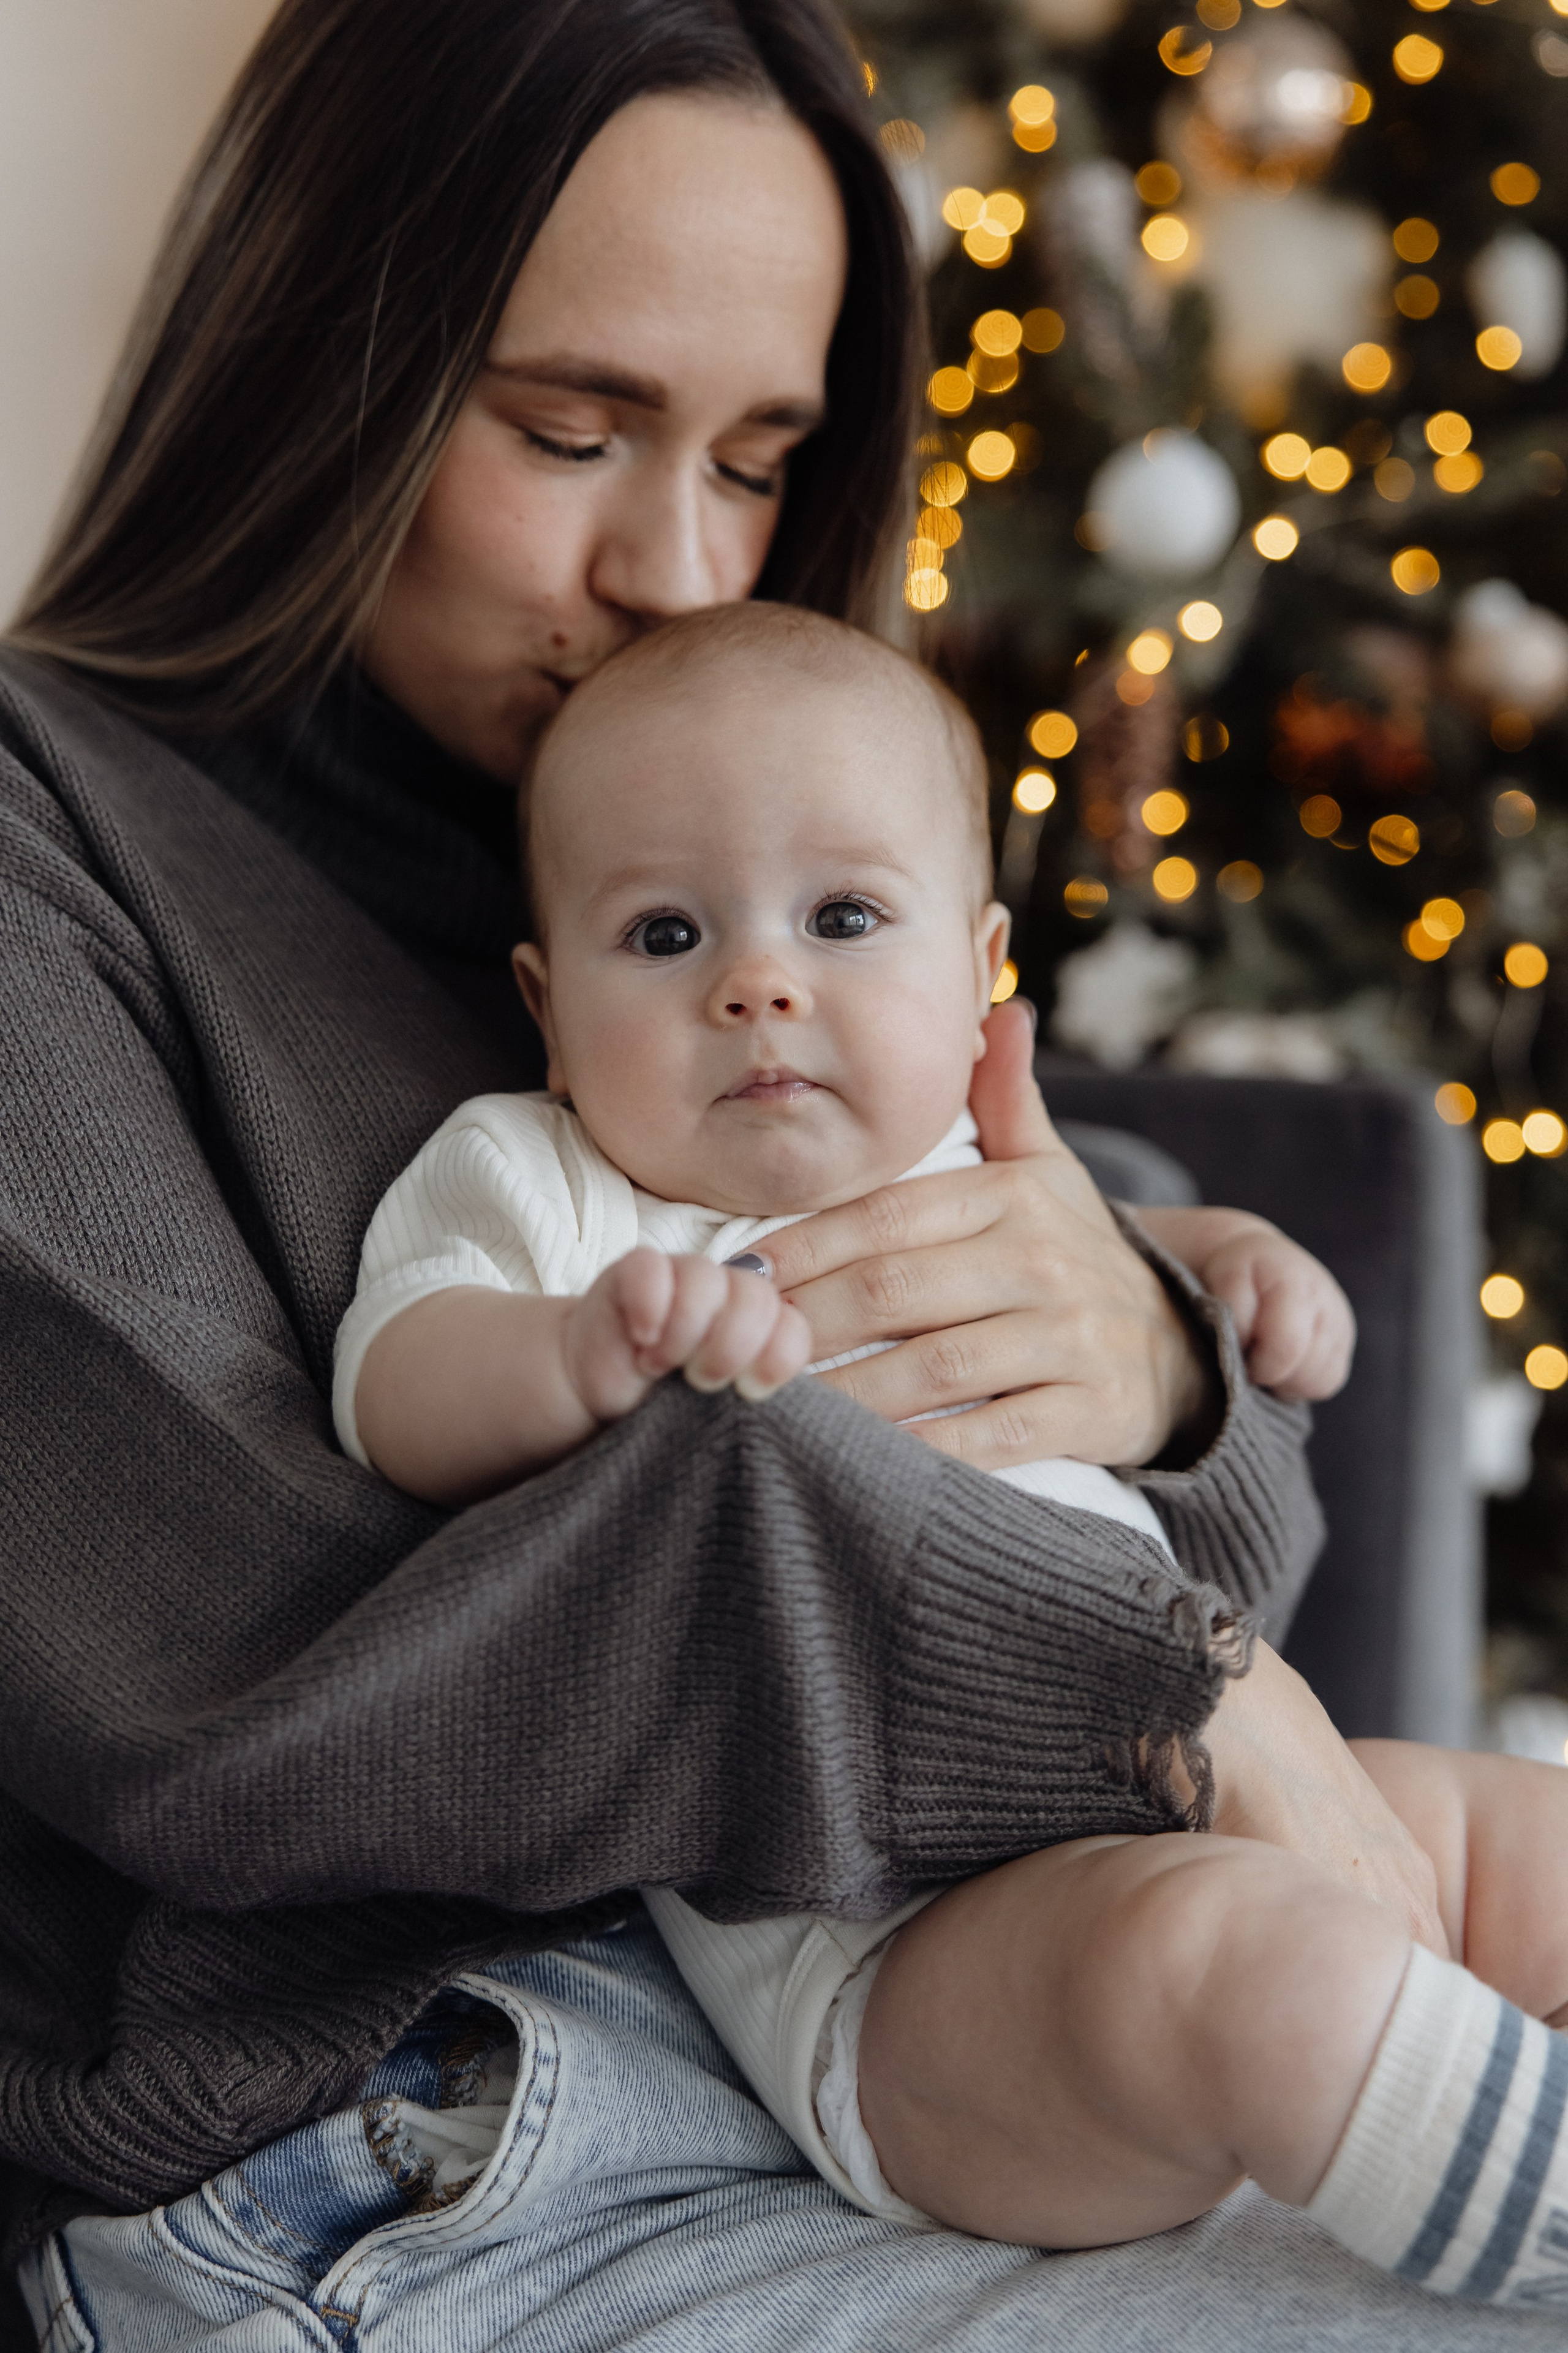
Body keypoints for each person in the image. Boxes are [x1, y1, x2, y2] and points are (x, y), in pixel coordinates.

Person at [0, 1, 1491, 2345]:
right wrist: (1159, 1678)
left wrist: (1160, 1355)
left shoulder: (740, 861)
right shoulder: (47, 849)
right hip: (430, 2144)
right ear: (323, 352)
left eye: (765, 457)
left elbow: (1210, 1505)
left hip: (973, 1982)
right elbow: (262, 1706)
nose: (684, 571)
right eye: (572, 430)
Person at [339, 599, 1568, 2311]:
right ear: (547, 1004)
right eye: (666, 932)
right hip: (900, 1945)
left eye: (845, 916)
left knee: (1515, 1831)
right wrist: (569, 1349)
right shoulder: (557, 1186)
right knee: (1234, 1967)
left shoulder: (969, 1162)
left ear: (985, 967)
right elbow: (392, 1367)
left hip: (1197, 1773)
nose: (758, 982)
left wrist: (1218, 1268)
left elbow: (1141, 1254)